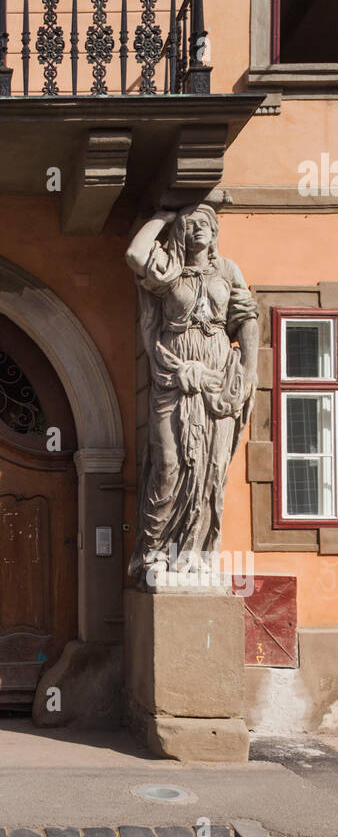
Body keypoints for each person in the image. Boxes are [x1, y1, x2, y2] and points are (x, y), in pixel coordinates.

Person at [125, 203, 258, 585]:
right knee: (169, 463)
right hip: (172, 374)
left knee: (211, 470)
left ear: (215, 232)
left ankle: (194, 554)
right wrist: (164, 215)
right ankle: (154, 552)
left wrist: (248, 372)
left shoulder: (228, 271)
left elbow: (246, 318)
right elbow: (135, 254)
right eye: (192, 223)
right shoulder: (168, 271)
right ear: (181, 231)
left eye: (206, 223)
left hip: (217, 380)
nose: (200, 228)